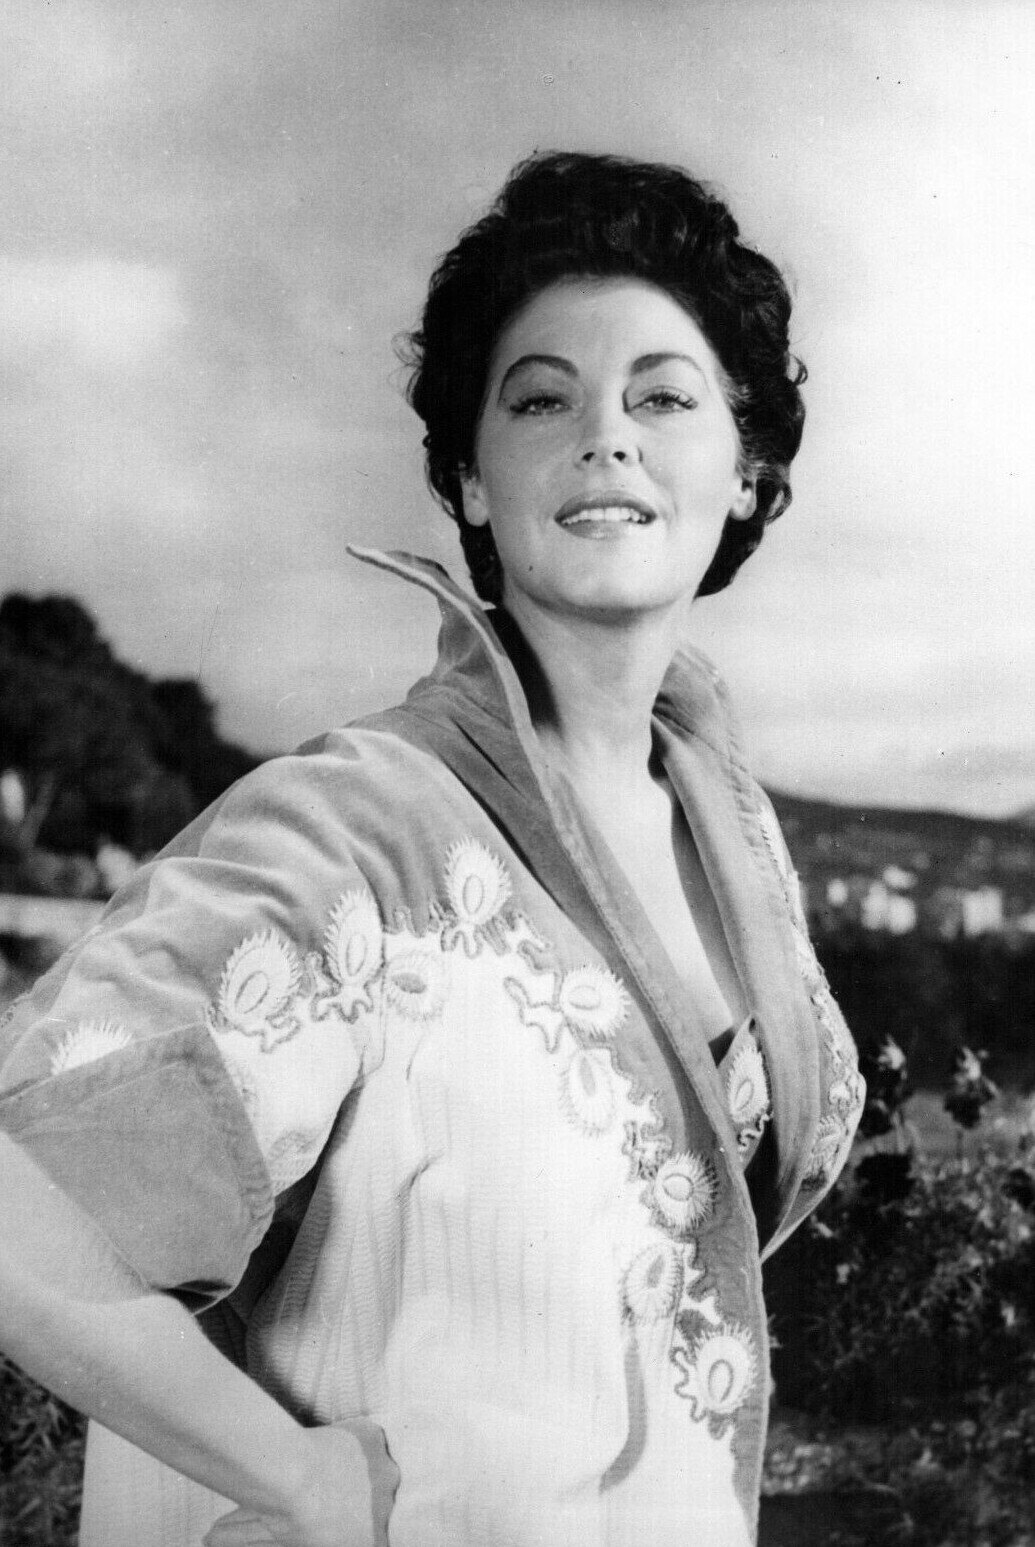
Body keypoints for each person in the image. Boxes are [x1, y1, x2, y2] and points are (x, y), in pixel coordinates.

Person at [0, 152, 864, 1547]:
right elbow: (18, 1204)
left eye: (662, 396)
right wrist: (293, 1478)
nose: (607, 436)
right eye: (541, 399)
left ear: (748, 470)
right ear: (469, 481)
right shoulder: (356, 826)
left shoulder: (730, 817)